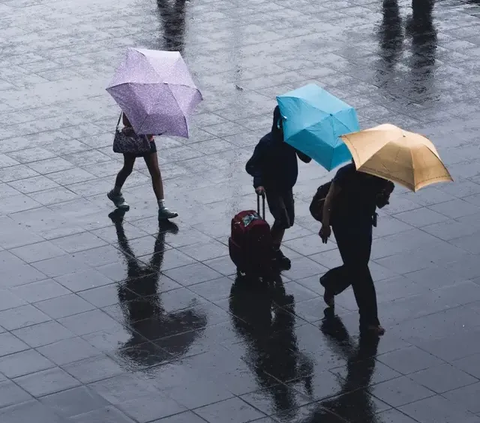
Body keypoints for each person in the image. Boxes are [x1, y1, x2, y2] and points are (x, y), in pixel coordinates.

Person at [319, 162, 394, 335]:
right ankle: (369, 321)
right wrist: (325, 224)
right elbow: (329, 199)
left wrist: (387, 193)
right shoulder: (345, 173)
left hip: (364, 226)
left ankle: (330, 281)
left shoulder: (378, 175)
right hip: (343, 226)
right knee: (361, 272)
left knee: (357, 269)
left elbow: (379, 203)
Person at [246, 106, 311, 269]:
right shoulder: (267, 143)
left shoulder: (292, 140)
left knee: (288, 221)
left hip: (287, 186)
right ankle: (270, 250)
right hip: (272, 187)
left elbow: (306, 158)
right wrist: (259, 183)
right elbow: (253, 165)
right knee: (282, 219)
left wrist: (304, 142)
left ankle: (272, 248)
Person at [107, 114, 178, 221]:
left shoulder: (152, 105)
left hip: (148, 140)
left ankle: (162, 207)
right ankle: (115, 192)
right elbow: (126, 121)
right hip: (132, 140)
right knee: (128, 168)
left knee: (155, 172)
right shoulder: (132, 102)